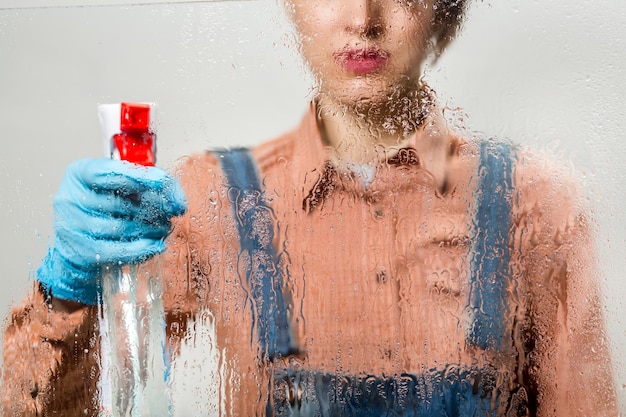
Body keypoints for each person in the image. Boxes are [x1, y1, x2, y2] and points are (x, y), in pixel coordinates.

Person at [1, 0, 618, 415]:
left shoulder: (534, 204)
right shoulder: (207, 200)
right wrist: (69, 291)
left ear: (444, 12)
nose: (363, 18)